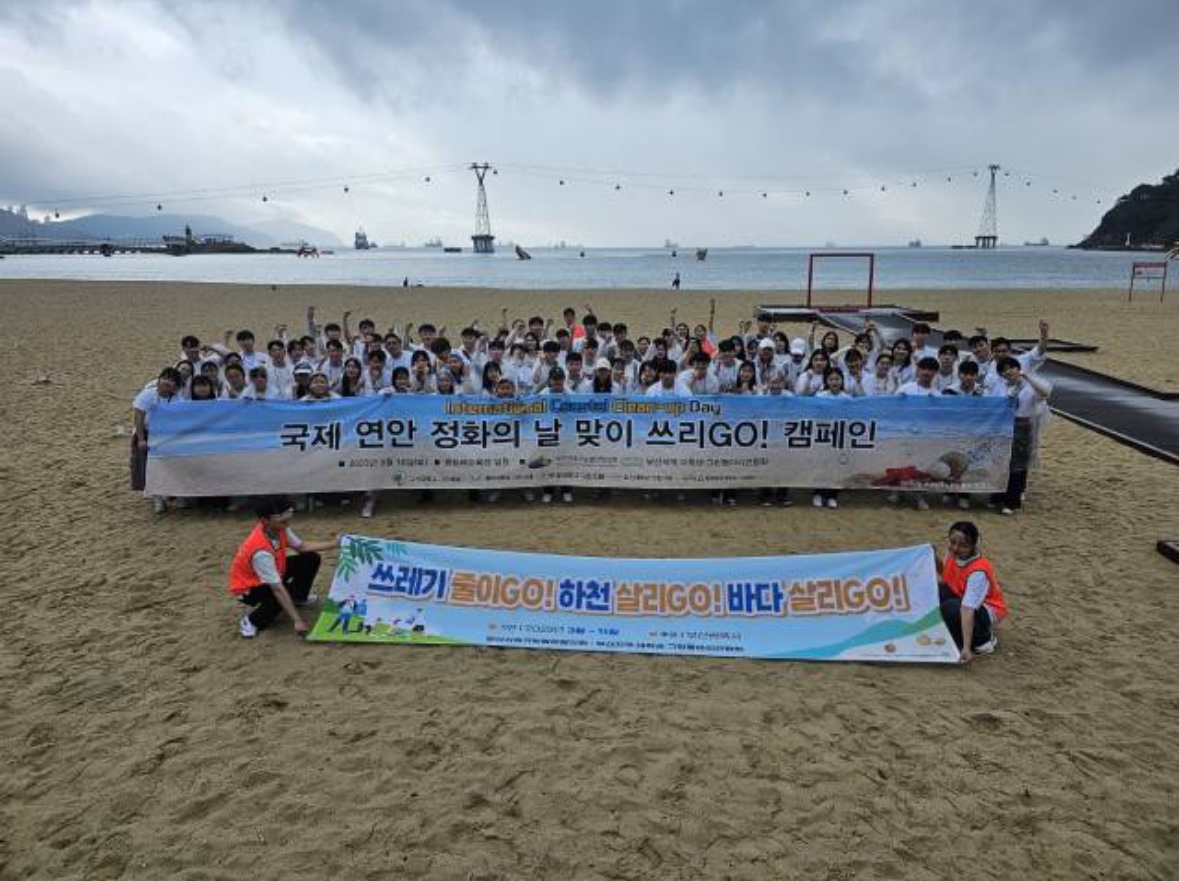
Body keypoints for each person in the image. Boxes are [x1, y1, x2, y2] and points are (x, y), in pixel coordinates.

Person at [228, 496, 338, 638]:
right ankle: (252, 621)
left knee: (310, 558)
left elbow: (302, 547)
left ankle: (299, 598)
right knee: (282, 594)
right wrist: (297, 620)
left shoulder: (280, 527)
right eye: (280, 515)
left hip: (273, 572)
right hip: (249, 588)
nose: (287, 518)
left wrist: (335, 544)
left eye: (287, 512)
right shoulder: (260, 552)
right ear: (265, 520)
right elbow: (277, 589)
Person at [936, 521, 1007, 664]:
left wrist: (966, 648)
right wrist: (933, 557)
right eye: (953, 542)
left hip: (984, 609)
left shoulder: (978, 572)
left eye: (963, 545)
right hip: (963, 599)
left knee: (950, 608)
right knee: (937, 591)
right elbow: (945, 572)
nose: (955, 548)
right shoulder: (953, 553)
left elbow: (967, 608)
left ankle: (982, 640)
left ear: (973, 545)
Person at [132, 367, 182, 512]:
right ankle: (157, 499)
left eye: (172, 380)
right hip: (147, 433)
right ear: (159, 380)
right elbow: (138, 416)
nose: (167, 382)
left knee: (168, 467)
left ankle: (167, 495)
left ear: (176, 386)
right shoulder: (148, 394)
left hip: (167, 437)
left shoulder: (178, 399)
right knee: (149, 467)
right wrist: (141, 439)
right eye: (165, 378)